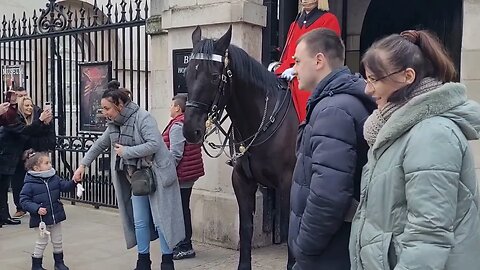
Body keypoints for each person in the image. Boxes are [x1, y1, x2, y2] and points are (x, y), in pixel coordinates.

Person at [349, 30, 480, 270]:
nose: (367, 90)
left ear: (407, 76)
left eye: (374, 79)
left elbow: (428, 235)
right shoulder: (392, 129)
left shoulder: (432, 134)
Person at [73, 81, 185, 270]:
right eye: (103, 109)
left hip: (157, 174)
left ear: (120, 104)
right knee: (139, 220)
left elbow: (154, 144)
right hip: (137, 178)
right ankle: (143, 262)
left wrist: (127, 152)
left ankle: (167, 262)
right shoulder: (114, 125)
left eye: (107, 108)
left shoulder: (143, 118)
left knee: (161, 221)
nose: (104, 113)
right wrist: (83, 165)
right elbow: (99, 145)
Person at [288, 28, 375, 270]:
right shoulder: (335, 103)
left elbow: (328, 195)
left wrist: (303, 250)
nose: (293, 69)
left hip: (327, 254)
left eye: (297, 61)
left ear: (319, 61)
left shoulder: (333, 110)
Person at [272, 0, 341, 122]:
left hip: (312, 78)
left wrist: (296, 69)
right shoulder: (294, 25)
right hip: (290, 75)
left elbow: (327, 56)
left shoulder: (329, 20)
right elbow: (288, 56)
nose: (304, 0)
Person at [20, 150, 81, 270]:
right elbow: (24, 200)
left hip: (55, 216)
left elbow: (64, 186)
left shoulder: (54, 178)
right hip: (41, 219)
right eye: (46, 163)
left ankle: (59, 263)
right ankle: (36, 265)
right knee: (41, 242)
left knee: (58, 240)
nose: (50, 165)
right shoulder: (30, 183)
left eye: (50, 162)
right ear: (37, 168)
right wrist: (36, 208)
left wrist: (74, 182)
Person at [162, 94, 205, 260]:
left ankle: (185, 246)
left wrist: (165, 171)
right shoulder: (186, 123)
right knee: (182, 209)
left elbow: (175, 154)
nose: (170, 108)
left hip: (181, 175)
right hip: (187, 174)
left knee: (180, 211)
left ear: (178, 108)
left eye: (172, 105)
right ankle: (183, 243)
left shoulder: (177, 126)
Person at [0, 92, 52, 228]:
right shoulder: (10, 120)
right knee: (3, 187)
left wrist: (43, 123)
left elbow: (31, 133)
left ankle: (4, 216)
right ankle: (3, 216)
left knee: (3, 188)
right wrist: (40, 121)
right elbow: (25, 130)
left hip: (9, 157)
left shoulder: (15, 119)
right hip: (4, 156)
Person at [11, 96, 56, 219]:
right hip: (19, 156)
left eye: (31, 105)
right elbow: (25, 133)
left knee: (34, 181)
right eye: (26, 105)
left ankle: (34, 206)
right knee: (18, 182)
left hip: (33, 154)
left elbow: (42, 134)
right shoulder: (17, 118)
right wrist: (40, 122)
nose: (29, 108)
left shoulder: (36, 116)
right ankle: (20, 207)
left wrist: (45, 123)